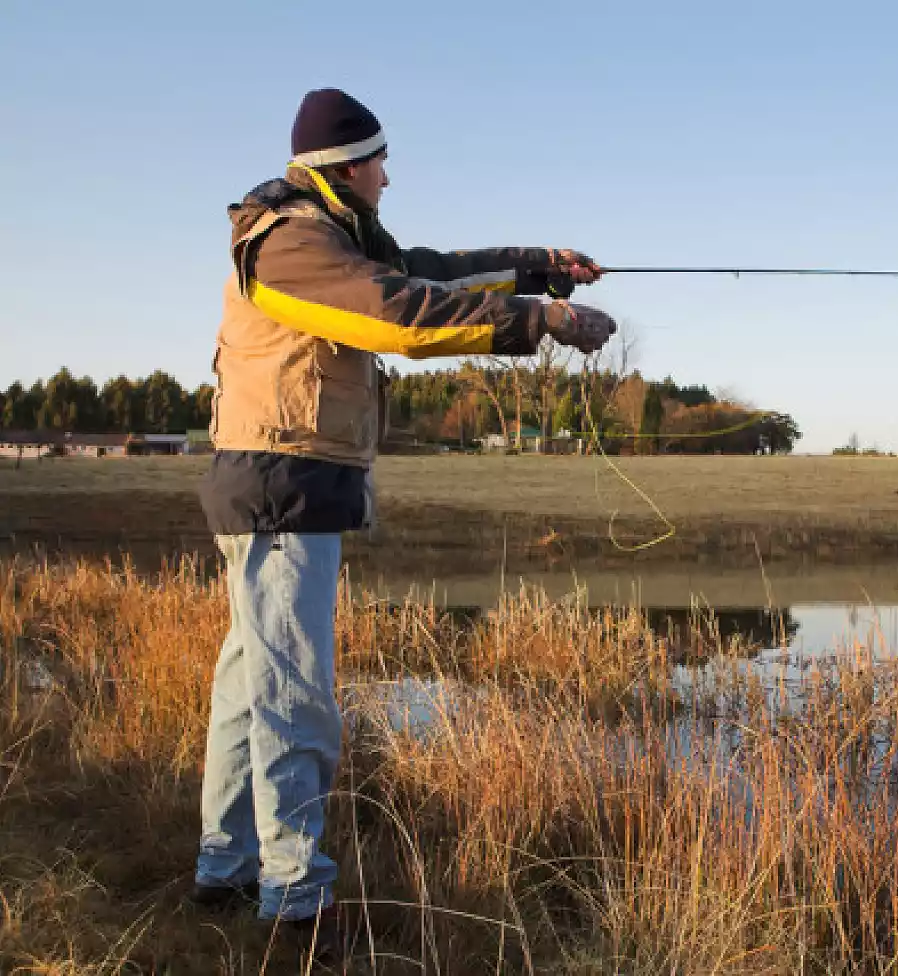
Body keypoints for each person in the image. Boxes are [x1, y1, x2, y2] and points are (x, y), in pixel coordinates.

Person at [190, 87, 616, 949]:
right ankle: (295, 902)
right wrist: (537, 320)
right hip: (282, 483)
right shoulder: (291, 246)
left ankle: (225, 870)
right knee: (295, 693)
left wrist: (538, 265)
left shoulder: (335, 234)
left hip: (286, 478)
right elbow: (399, 314)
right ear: (345, 170)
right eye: (379, 159)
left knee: (251, 686)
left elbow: (427, 270)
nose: (390, 173)